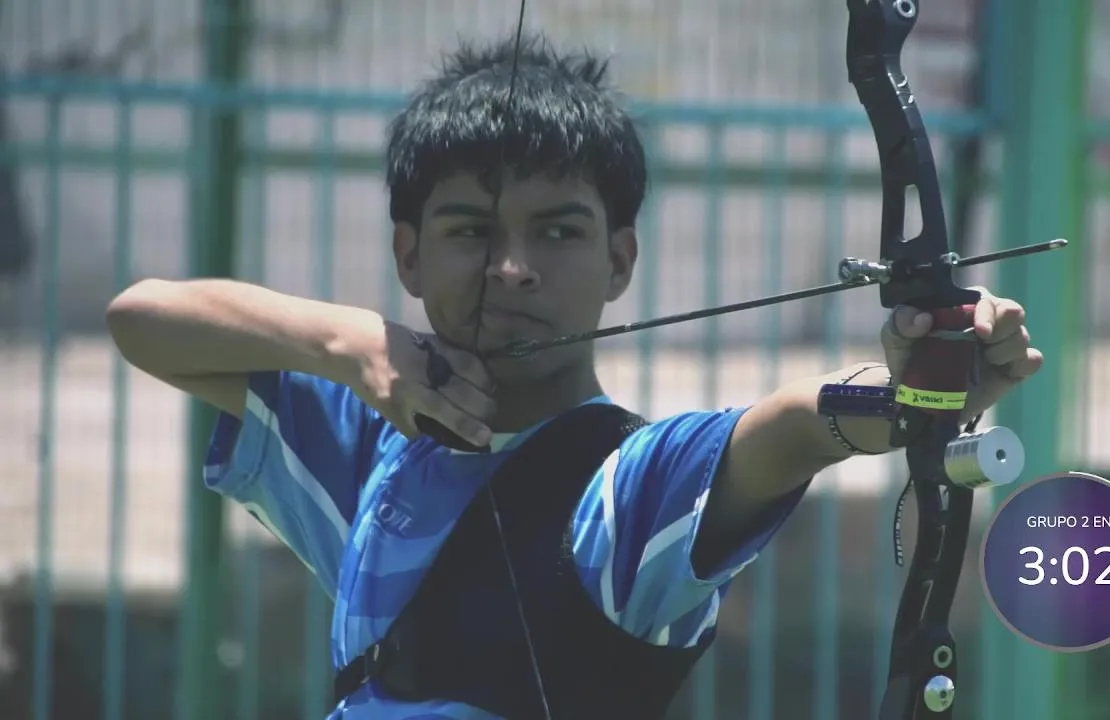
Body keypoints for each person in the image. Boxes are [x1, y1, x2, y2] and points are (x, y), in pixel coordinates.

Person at [106, 32, 1043, 720]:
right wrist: (346, 341)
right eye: (472, 231)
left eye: (558, 232)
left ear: (619, 261)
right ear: (408, 256)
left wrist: (919, 385)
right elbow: (144, 319)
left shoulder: (626, 488)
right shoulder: (373, 450)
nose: (512, 268)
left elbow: (799, 423)